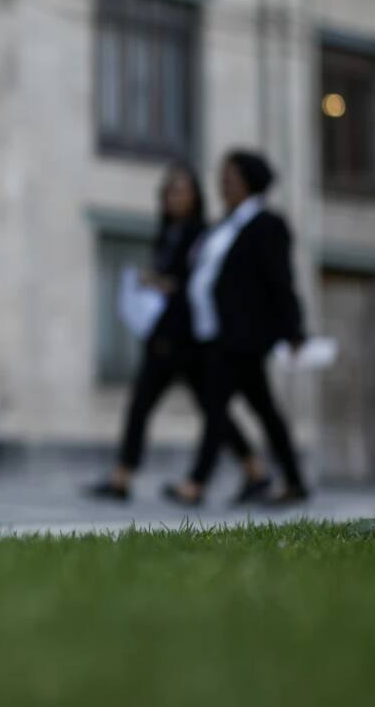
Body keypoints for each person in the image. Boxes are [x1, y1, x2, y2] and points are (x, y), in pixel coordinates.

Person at [87, 162, 269, 503]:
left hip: (189, 341)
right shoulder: (166, 233)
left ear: (195, 197)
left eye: (180, 191)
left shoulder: (201, 235)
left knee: (215, 412)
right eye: (168, 190)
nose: (172, 197)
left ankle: (248, 471)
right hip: (163, 336)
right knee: (145, 405)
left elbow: (199, 285)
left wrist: (162, 283)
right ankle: (123, 476)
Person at [165, 150, 310, 507]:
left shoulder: (267, 224)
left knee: (216, 407)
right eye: (223, 177)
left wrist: (293, 329)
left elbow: (281, 281)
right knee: (263, 409)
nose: (223, 184)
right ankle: (290, 479)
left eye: (231, 177)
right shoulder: (224, 225)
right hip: (214, 332)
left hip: (243, 335)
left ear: (250, 181)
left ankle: (197, 483)